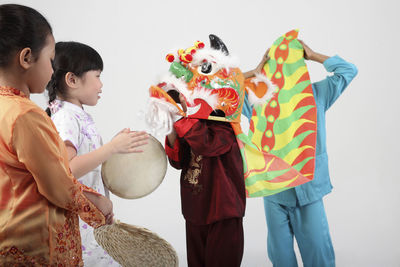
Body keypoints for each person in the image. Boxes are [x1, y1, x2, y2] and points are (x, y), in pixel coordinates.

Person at [0, 4, 113, 266]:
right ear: (26, 58)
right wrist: (98, 203)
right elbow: (58, 185)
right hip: (36, 244)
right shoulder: (26, 115)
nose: (53, 72)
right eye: (51, 61)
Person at [243, 40, 358, 267]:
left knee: (318, 255)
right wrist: (255, 70)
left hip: (309, 188)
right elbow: (222, 89)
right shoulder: (258, 99)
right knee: (280, 257)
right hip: (274, 189)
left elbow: (348, 70)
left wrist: (314, 55)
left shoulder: (316, 94)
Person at [46, 41, 148, 266]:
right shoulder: (65, 117)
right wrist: (110, 148)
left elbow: (87, 162)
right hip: (81, 223)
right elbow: (67, 169)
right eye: (97, 76)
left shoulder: (77, 115)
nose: (101, 84)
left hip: (92, 218)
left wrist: (113, 147)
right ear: (72, 80)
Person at [165, 93, 246, 267]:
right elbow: (178, 161)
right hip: (195, 210)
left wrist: (186, 112)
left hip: (223, 212)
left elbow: (206, 144)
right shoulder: (188, 122)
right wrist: (170, 122)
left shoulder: (225, 123)